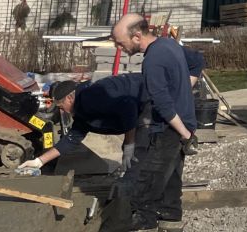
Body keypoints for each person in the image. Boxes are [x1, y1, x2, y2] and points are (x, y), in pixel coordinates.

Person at [110, 13, 197, 232]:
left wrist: (185, 134)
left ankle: (144, 224)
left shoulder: (153, 60)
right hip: (184, 122)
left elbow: (163, 105)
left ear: (137, 36)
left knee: (146, 183)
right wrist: (183, 90)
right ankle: (170, 220)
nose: (120, 48)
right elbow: (197, 61)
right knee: (171, 181)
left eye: (121, 43)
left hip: (170, 128)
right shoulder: (169, 44)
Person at [18, 74, 144, 174]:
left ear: (69, 98)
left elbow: (128, 107)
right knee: (135, 157)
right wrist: (39, 161)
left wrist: (129, 143)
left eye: (61, 107)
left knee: (145, 153)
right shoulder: (81, 112)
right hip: (138, 112)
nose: (62, 111)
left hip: (149, 100)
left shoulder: (90, 97)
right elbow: (71, 140)